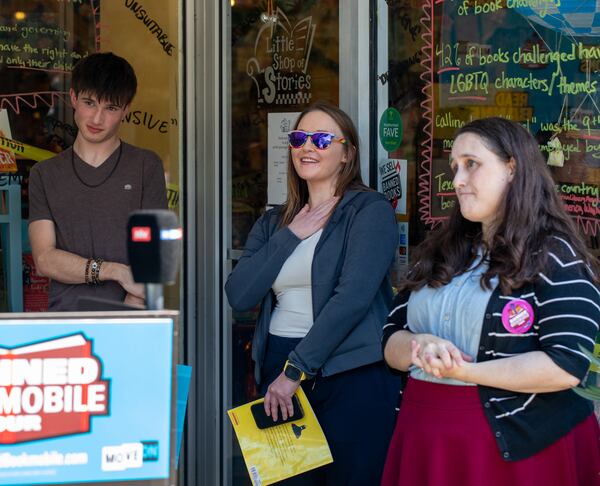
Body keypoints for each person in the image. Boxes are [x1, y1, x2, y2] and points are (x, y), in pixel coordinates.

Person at [381, 117, 600, 486]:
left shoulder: (555, 256)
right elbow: (389, 338)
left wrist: (464, 372)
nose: (456, 180)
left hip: (514, 453)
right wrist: (419, 346)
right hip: (424, 441)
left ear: (512, 168)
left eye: (472, 164)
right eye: (454, 167)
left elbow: (566, 365)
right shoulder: (440, 251)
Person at [226, 101, 400, 484]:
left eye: (321, 139)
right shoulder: (275, 221)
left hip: (351, 372)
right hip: (278, 367)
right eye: (299, 138)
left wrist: (296, 369)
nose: (308, 147)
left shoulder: (369, 210)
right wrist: (291, 236)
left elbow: (352, 297)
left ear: (347, 153)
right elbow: (239, 294)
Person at [28, 52, 167, 311]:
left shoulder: (146, 166)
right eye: (89, 103)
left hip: (132, 318)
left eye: (111, 108)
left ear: (125, 109)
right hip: (66, 321)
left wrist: (128, 312)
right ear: (73, 98)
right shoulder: (44, 174)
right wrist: (114, 271)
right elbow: (45, 259)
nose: (97, 119)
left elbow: (152, 253)